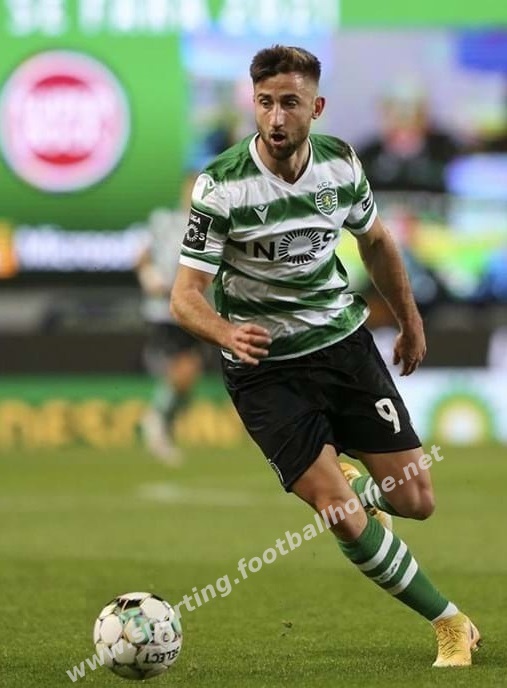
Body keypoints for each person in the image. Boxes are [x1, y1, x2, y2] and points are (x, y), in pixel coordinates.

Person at [170, 45, 481, 667]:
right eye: (264, 103)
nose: (276, 118)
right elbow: (185, 296)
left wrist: (410, 319)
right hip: (264, 370)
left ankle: (364, 489)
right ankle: (449, 623)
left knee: (417, 501)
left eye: (289, 103)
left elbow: (377, 242)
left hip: (342, 347)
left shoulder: (341, 164)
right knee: (336, 509)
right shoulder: (221, 185)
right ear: (253, 104)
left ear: (316, 107)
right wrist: (226, 334)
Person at [136, 177, 204, 465]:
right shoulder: (164, 220)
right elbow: (142, 255)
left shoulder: (212, 224)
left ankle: (163, 424)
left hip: (196, 309)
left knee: (189, 376)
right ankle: (155, 421)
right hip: (165, 309)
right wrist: (149, 277)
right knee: (184, 368)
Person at [356, 78, 461, 193]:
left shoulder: (447, 152)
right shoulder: (367, 157)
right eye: (395, 109)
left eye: (412, 109)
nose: (404, 117)